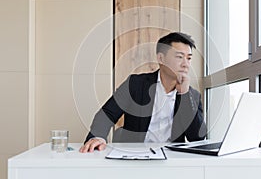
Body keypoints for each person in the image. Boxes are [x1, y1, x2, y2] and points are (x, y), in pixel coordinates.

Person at [79, 32, 207, 153]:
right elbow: (107, 114)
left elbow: (197, 138)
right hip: (135, 154)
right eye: (179, 57)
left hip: (170, 158)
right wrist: (97, 137)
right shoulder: (135, 84)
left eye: (189, 58)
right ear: (161, 58)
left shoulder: (192, 95)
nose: (186, 64)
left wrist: (184, 95)